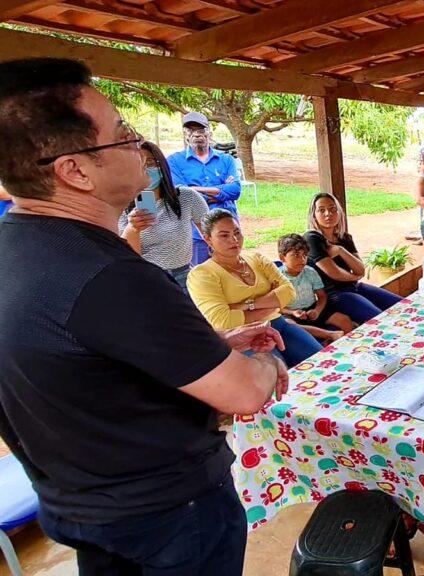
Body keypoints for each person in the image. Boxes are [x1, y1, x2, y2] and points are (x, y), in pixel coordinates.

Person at [0, 57, 288, 575]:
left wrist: (218, 342)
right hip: (169, 517)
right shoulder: (110, 274)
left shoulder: (15, 249)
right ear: (75, 170)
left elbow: (90, 359)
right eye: (123, 134)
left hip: (80, 508)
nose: (140, 147)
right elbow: (243, 393)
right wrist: (265, 366)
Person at [188, 209, 323, 367]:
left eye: (237, 232)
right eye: (224, 235)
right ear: (208, 239)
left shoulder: (257, 259)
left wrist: (246, 305)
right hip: (243, 337)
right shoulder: (202, 274)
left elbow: (288, 292)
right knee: (279, 378)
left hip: (278, 323)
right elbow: (222, 321)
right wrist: (272, 302)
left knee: (321, 362)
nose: (234, 239)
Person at [118, 141, 209, 288]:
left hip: (184, 277)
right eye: (137, 163)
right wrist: (133, 229)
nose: (145, 168)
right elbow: (127, 256)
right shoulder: (121, 206)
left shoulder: (187, 197)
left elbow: (211, 233)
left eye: (150, 162)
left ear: (161, 165)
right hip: (145, 279)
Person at [304, 193, 401, 324]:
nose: (328, 214)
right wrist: (354, 277)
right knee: (382, 321)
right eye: (321, 210)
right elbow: (334, 272)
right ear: (314, 215)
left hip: (355, 287)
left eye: (333, 209)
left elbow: (360, 269)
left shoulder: (344, 237)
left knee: (404, 306)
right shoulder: (312, 238)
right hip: (334, 295)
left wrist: (341, 250)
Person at [167, 111, 240, 267]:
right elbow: (182, 195)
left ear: (209, 133)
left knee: (231, 275)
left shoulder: (226, 159)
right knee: (201, 278)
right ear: (185, 134)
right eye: (191, 130)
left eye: (201, 130)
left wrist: (196, 190)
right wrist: (221, 192)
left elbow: (235, 190)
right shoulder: (174, 161)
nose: (197, 134)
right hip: (195, 234)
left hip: (228, 230)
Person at [277, 233, 353, 342]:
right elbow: (276, 307)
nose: (302, 260)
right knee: (290, 325)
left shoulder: (310, 272)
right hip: (291, 314)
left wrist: (317, 310)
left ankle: (349, 345)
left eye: (305, 255)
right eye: (296, 255)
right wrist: (292, 312)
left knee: (344, 320)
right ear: (282, 257)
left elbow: (322, 296)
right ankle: (331, 335)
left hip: (312, 308)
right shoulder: (277, 278)